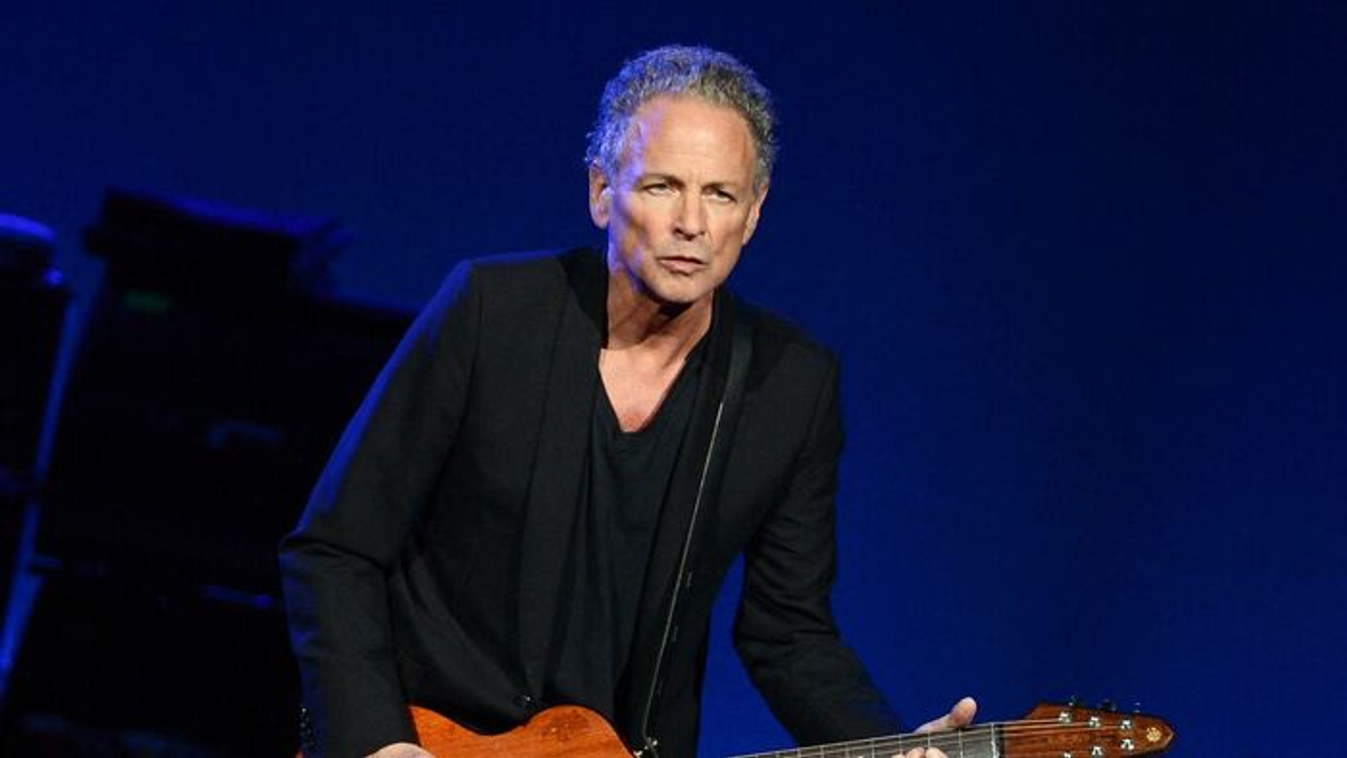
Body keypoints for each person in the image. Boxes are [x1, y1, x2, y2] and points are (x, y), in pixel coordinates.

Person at [280, 44, 975, 758]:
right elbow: (334, 550)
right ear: (601, 191)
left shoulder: (789, 386)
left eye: (720, 194)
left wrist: (889, 745)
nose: (691, 223)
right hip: (435, 736)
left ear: (753, 214)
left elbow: (788, 633)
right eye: (662, 186)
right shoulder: (492, 313)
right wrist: (378, 743)